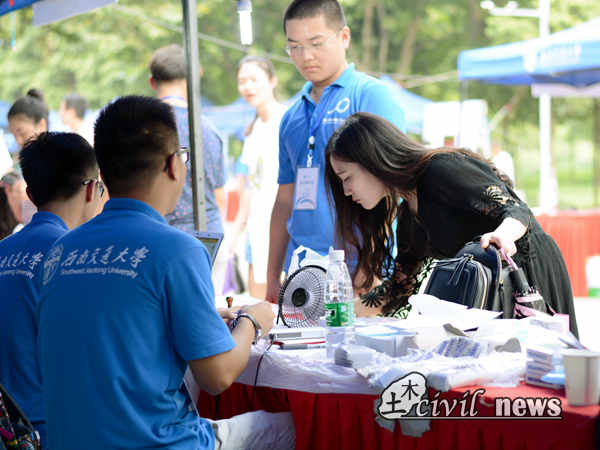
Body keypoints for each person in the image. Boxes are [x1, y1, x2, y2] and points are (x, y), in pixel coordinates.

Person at [37, 96, 295, 450]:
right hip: (159, 443)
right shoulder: (177, 249)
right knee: (288, 426)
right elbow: (217, 376)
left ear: (103, 174)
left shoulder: (59, 252)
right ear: (174, 165)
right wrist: (252, 320)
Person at [324, 112, 579, 336]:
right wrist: (337, 312)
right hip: (493, 291)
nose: (346, 191)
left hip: (527, 273)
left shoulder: (440, 170)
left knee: (543, 365)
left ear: (371, 160)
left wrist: (503, 235)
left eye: (347, 177)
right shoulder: (409, 217)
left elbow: (516, 209)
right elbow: (398, 290)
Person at [266, 0, 407, 303]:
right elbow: (284, 201)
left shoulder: (371, 96)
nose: (306, 56)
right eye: (294, 47)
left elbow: (392, 187)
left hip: (361, 274)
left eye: (316, 43)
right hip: (302, 272)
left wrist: (369, 266)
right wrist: (271, 278)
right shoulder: (290, 117)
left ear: (344, 37)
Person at [0, 132, 103, 447]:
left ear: (31, 194)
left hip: (8, 428)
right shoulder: (80, 256)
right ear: (91, 189)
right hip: (57, 428)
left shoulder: (3, 249)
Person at [149, 44, 228, 293]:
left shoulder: (144, 131)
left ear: (152, 82)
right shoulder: (207, 129)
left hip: (160, 242)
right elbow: (220, 197)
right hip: (208, 239)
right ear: (192, 79)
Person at [231, 55, 287, 298]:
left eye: (254, 79)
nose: (248, 87)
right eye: (242, 81)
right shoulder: (252, 129)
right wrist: (236, 228)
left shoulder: (286, 120)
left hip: (282, 228)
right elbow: (248, 185)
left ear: (272, 80)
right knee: (257, 302)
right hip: (256, 229)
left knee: (281, 304)